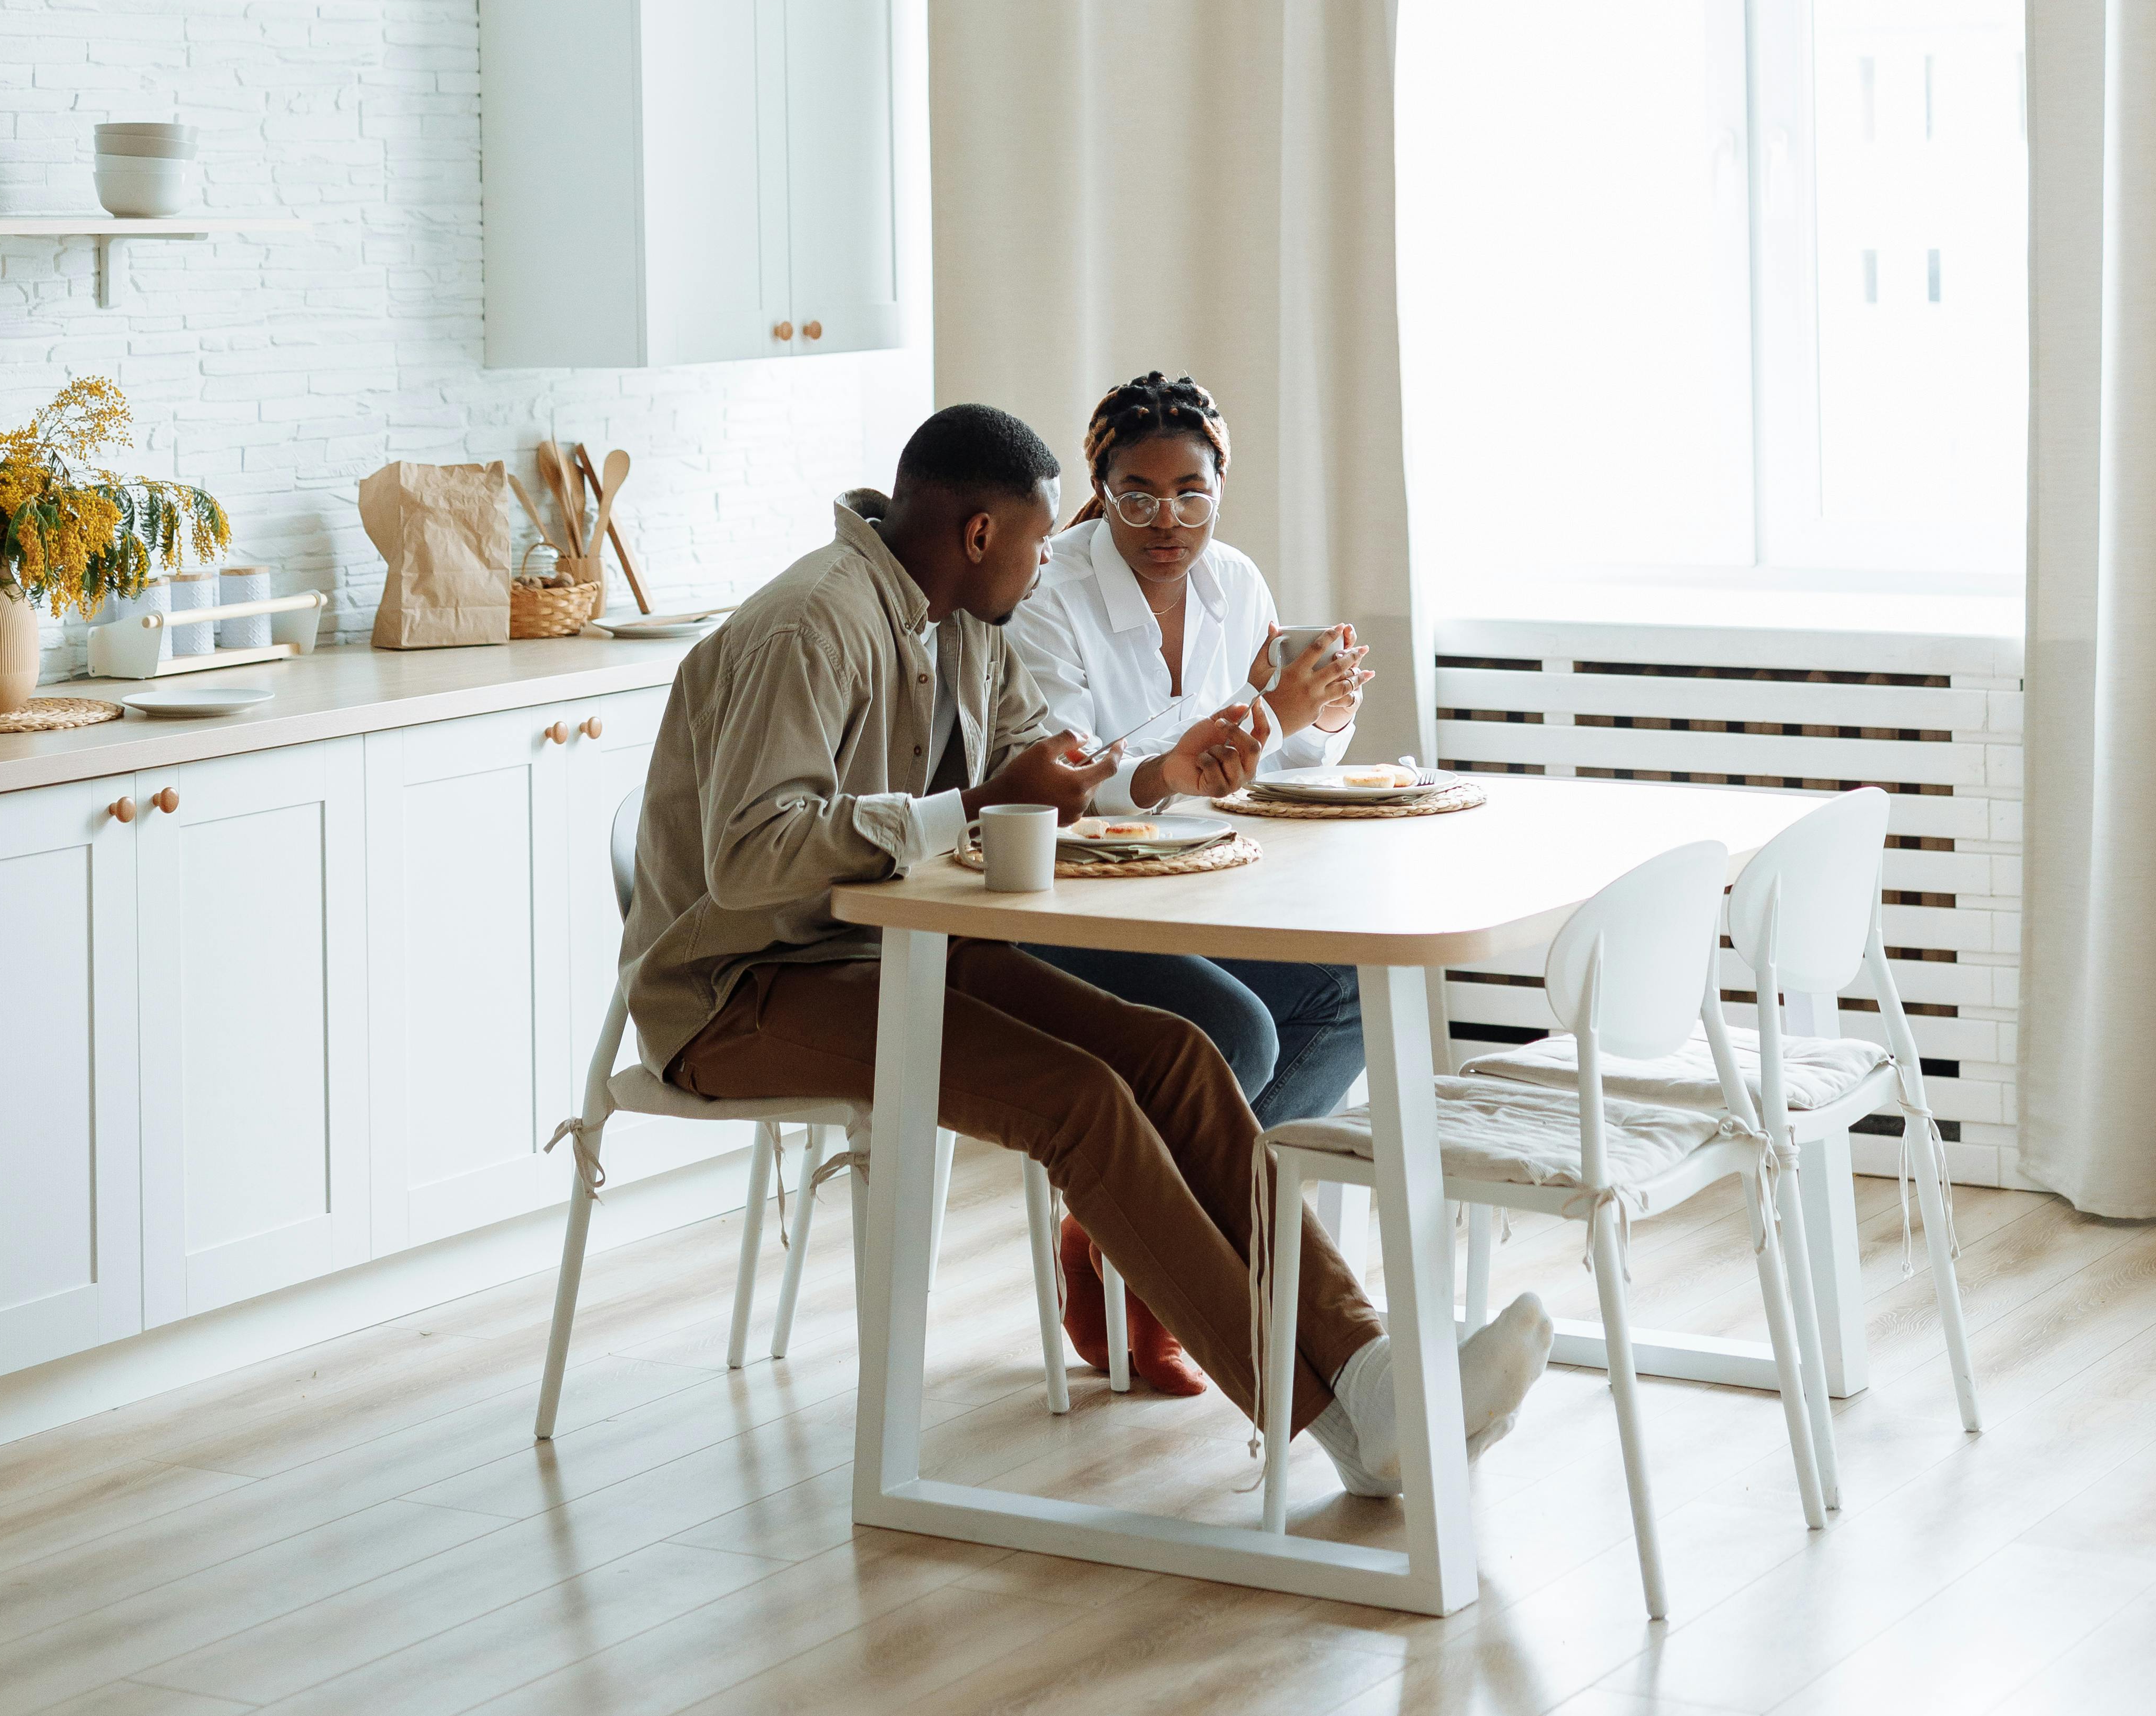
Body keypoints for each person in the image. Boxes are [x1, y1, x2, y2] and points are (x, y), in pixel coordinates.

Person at [626, 401, 1549, 1498]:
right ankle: (1355, 1425)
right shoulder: (811, 626)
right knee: (1081, 1098)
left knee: (1172, 1055)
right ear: (978, 534)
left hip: (893, 949)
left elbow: (1046, 769)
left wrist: (1142, 776)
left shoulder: (963, 621)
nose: (1052, 553)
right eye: (1037, 535)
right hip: (738, 991)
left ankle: (1368, 1375)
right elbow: (750, 857)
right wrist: (968, 802)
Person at [1012, 368, 1377, 1389]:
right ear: (1099, 486)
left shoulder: (1238, 583)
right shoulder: (1049, 591)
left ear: (1220, 488)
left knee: (1344, 992)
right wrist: (1198, 757)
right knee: (1241, 1031)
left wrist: (1324, 713)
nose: (1164, 519)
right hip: (1065, 895)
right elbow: (1066, 776)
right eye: (1136, 492)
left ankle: (1117, 1222)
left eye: (1190, 493)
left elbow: (1269, 768)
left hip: (1194, 883)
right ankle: (1155, 1246)